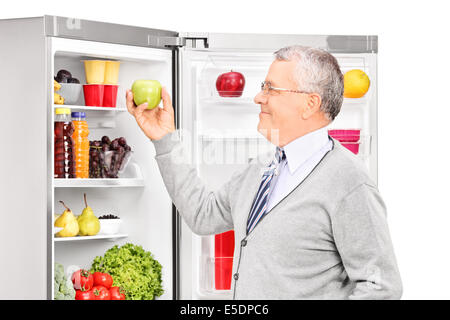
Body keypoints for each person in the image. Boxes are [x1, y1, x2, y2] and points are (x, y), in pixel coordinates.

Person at [126, 45, 402, 300]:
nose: (258, 97)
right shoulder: (260, 169)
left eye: (271, 88)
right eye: (262, 87)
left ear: (310, 103)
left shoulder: (349, 182)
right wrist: (165, 139)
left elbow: (381, 286)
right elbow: (203, 216)